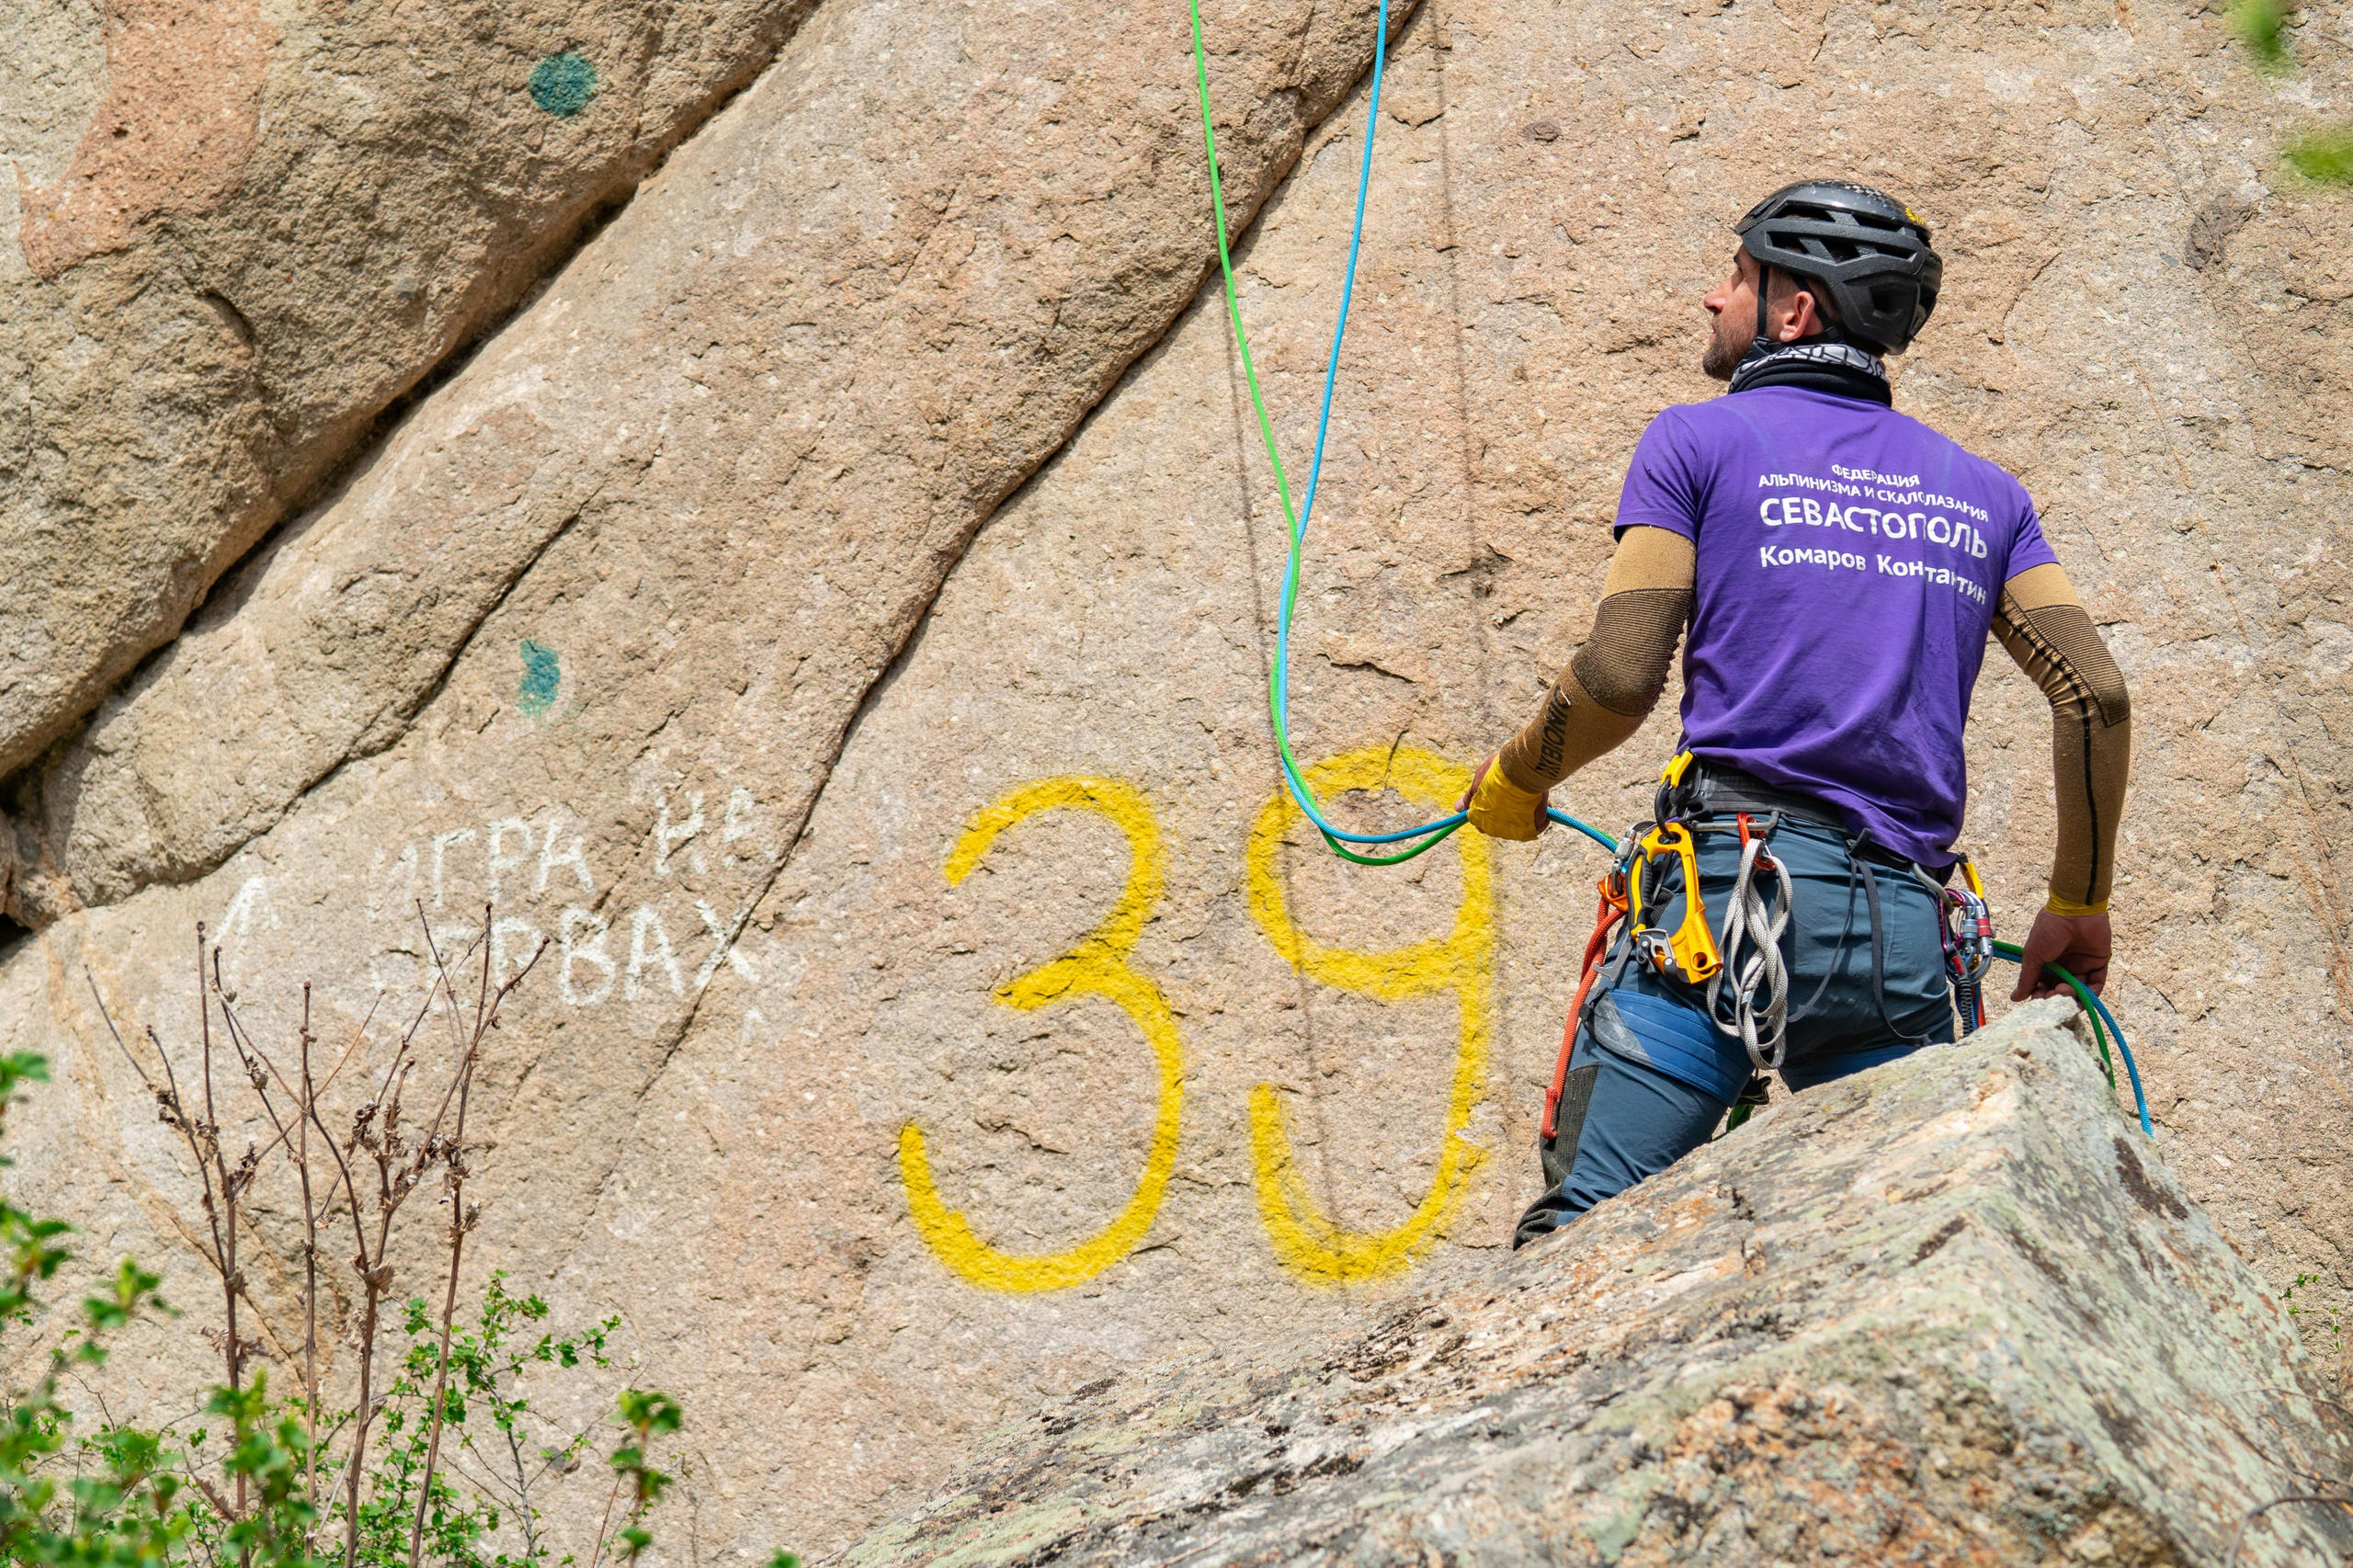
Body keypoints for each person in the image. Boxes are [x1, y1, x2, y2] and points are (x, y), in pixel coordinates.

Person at [1459, 180, 2133, 1248]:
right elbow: (2093, 694)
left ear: (1792, 310)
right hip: (1900, 946)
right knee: (1891, 1253)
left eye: (1732, 272)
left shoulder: (1695, 443)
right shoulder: (1986, 496)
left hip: (1720, 913)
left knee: (1584, 1236)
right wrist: (2077, 903)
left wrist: (1518, 776)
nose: (1708, 295)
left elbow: (1622, 671)